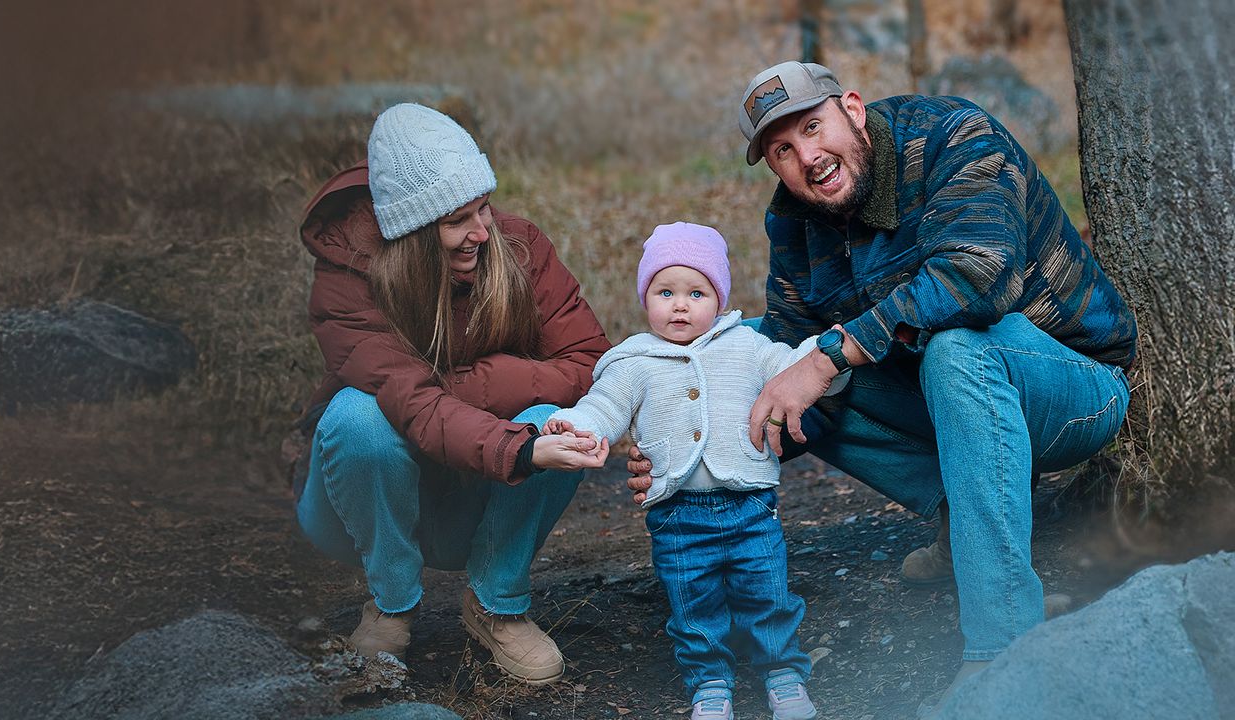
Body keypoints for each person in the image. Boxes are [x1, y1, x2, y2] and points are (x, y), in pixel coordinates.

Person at [630, 61, 1138, 706]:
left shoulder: (957, 137)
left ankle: (1004, 647)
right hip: (941, 392)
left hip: (1072, 385)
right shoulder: (793, 217)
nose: (808, 157)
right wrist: (684, 451)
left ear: (854, 108)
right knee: (757, 355)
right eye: (783, 150)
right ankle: (968, 525)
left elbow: (976, 278)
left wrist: (824, 360)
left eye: (815, 127)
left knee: (946, 350)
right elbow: (782, 348)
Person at [292, 103, 612, 685]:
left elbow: (592, 362)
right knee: (358, 415)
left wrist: (481, 386)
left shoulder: (518, 247)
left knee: (564, 418)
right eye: (457, 220)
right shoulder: (347, 278)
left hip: (474, 492)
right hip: (364, 499)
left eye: (484, 206)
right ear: (412, 232)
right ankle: (390, 604)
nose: (483, 231)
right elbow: (410, 402)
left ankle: (497, 604)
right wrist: (519, 447)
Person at [546, 222, 845, 720]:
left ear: (719, 298)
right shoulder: (634, 361)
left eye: (696, 292)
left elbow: (795, 370)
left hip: (750, 504)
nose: (680, 305)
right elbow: (603, 407)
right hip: (677, 516)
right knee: (693, 604)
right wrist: (577, 423)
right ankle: (709, 683)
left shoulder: (748, 347)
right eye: (666, 292)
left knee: (767, 592)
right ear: (646, 299)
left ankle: (783, 674)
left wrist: (827, 356)